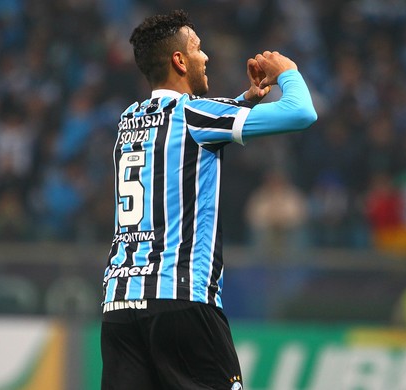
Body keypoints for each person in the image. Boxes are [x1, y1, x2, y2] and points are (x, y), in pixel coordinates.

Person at [100, 10, 317, 390]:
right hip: (181, 301)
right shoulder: (195, 115)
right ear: (179, 61)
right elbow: (301, 112)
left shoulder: (129, 120)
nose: (206, 57)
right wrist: (288, 71)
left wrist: (244, 100)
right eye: (198, 49)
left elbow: (195, 125)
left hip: (120, 307)